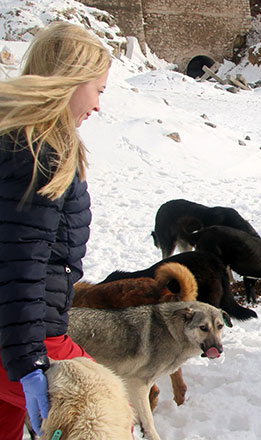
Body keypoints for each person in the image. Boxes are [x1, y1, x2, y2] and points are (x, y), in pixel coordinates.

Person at [0, 22, 110, 439]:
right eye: (98, 89)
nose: (98, 105)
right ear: (72, 78)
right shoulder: (37, 151)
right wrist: (28, 361)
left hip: (18, 330)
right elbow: (21, 264)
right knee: (102, 412)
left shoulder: (19, 140)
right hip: (25, 337)